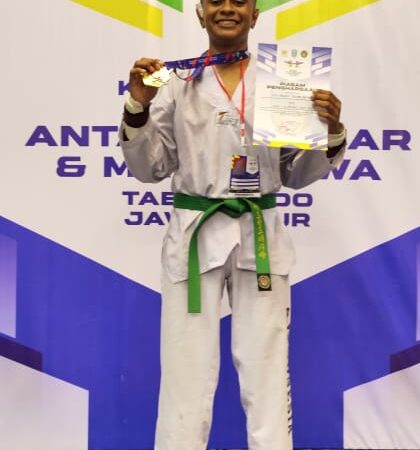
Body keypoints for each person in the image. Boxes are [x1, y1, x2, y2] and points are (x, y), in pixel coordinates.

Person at [120, 0, 346, 449]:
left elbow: (295, 173)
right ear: (200, 12)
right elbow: (149, 167)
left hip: (258, 232)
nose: (227, 8)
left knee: (266, 368)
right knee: (184, 373)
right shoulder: (174, 79)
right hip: (194, 233)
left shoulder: (283, 79)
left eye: (239, 1)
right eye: (216, 1)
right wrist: (137, 107)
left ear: (255, 14)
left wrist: (331, 131)